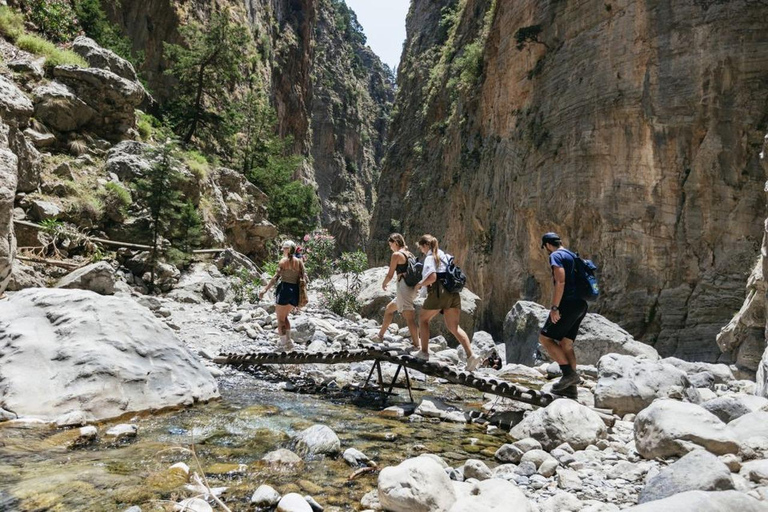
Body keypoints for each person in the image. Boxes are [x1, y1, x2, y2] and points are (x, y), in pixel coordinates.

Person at [414, 234, 481, 371]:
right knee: (454, 327)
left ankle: (424, 352)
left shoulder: (430, 257)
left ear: (425, 245)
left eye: (421, 247)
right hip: (453, 294)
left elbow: (432, 277)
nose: (421, 250)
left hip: (439, 293)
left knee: (423, 319)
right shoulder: (445, 256)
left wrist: (419, 284)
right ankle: (471, 355)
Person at [538, 232, 589, 393]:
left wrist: (554, 307)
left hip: (567, 303)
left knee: (545, 338)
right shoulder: (572, 256)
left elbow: (560, 281)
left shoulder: (556, 256)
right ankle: (571, 389)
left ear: (547, 245)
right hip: (581, 304)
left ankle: (568, 374)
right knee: (566, 343)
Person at [259, 240, 307, 350]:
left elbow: (275, 278)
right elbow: (304, 277)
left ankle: (285, 344)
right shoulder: (299, 262)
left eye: (284, 249)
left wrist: (265, 289)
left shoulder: (283, 261)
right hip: (295, 292)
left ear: (288, 249)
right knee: (285, 317)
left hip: (285, 290)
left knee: (280, 319)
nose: (283, 251)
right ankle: (289, 341)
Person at [376, 233, 419, 350]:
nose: (391, 248)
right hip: (411, 288)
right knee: (389, 309)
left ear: (396, 242)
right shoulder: (410, 254)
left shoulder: (396, 255)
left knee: (409, 316)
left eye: (391, 245)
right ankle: (380, 335)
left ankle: (417, 345)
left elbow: (390, 274)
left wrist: (384, 283)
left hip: (404, 288)